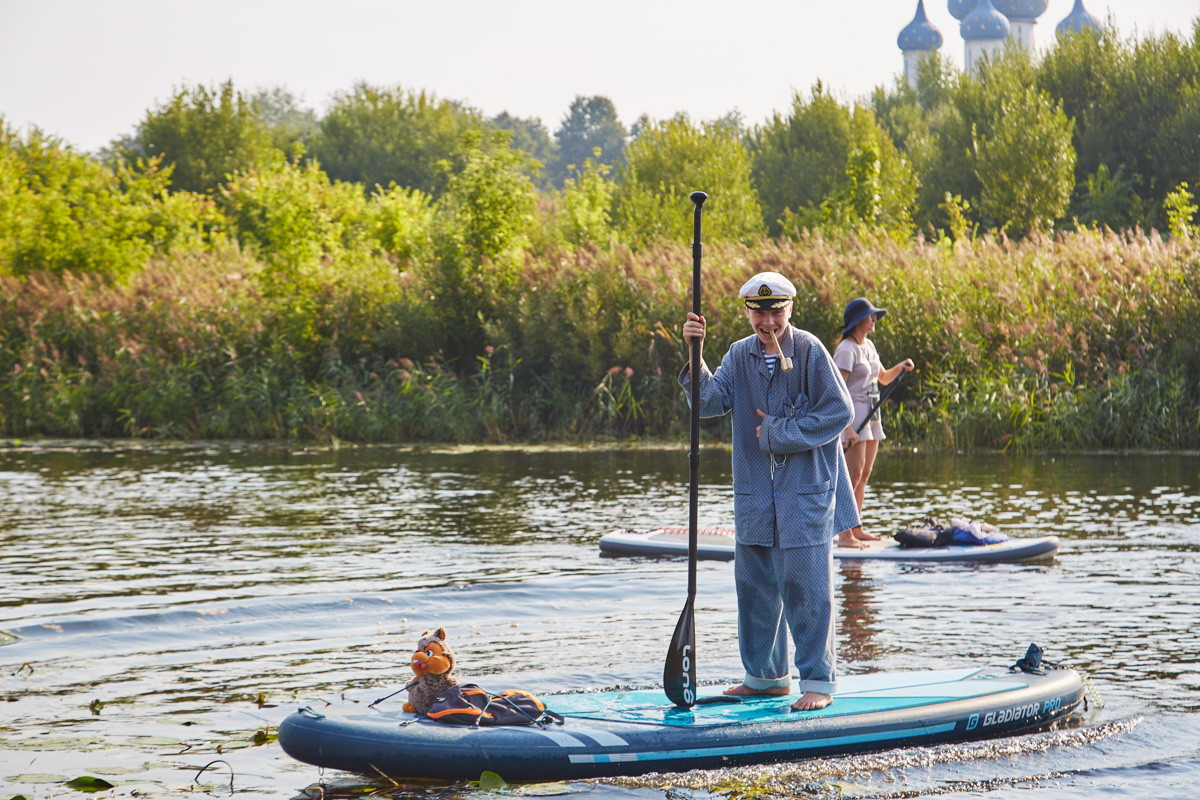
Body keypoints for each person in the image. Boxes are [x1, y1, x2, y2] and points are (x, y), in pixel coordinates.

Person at [680, 271, 860, 712]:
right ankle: (765, 678)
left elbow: (840, 411)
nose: (768, 322)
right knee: (755, 588)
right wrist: (694, 352)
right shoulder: (739, 355)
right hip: (755, 497)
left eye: (776, 312)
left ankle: (818, 681)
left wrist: (777, 432)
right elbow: (709, 403)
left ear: (789, 310)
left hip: (805, 497)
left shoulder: (812, 351)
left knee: (807, 590)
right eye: (759, 312)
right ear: (748, 312)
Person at [833, 297, 914, 548]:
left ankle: (856, 528)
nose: (874, 319)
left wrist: (900, 367)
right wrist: (846, 427)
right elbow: (837, 390)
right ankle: (845, 535)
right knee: (852, 476)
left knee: (864, 474)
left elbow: (883, 378)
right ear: (858, 320)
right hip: (854, 416)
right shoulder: (846, 349)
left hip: (872, 416)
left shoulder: (868, 346)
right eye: (870, 316)